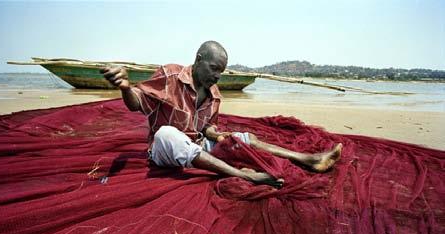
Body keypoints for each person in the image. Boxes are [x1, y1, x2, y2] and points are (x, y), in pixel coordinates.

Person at [101, 41, 342, 188]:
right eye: (214, 69)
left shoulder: (214, 94)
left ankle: (307, 159)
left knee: (245, 138)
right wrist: (124, 87)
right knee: (167, 134)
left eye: (221, 72)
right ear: (198, 60)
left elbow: (207, 128)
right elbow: (138, 102)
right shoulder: (170, 76)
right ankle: (244, 176)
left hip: (196, 145)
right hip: (164, 150)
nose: (217, 76)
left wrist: (217, 134)